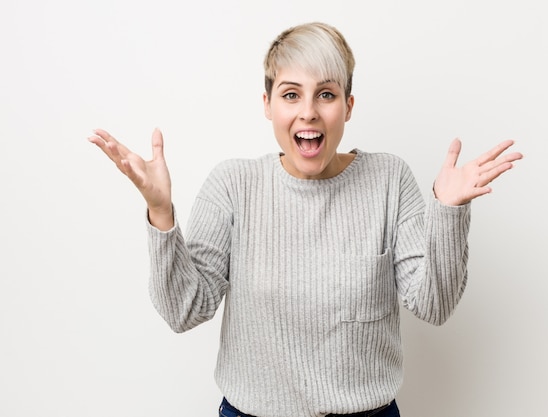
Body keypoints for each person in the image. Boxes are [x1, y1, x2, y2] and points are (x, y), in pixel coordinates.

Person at [89, 22, 522, 417]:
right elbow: (184, 311)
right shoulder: (233, 185)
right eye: (291, 94)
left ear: (348, 106)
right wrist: (161, 213)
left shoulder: (390, 179)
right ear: (268, 104)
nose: (309, 112)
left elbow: (434, 305)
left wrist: (448, 211)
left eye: (327, 94)